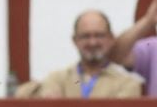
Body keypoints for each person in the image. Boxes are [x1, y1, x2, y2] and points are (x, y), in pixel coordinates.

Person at [15, 9, 144, 98]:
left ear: (111, 38)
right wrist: (43, 96)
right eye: (85, 36)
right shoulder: (57, 78)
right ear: (75, 40)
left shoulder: (127, 83)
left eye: (99, 35)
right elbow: (19, 95)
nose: (92, 42)